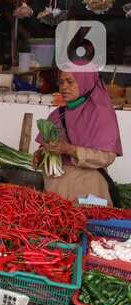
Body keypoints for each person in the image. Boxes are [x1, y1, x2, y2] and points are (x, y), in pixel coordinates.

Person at [34, 69, 123, 206]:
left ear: (85, 82)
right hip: (54, 194)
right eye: (61, 82)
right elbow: (45, 147)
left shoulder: (101, 114)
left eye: (70, 82)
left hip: (87, 193)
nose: (64, 87)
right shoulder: (58, 114)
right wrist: (40, 154)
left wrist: (69, 149)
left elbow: (106, 157)